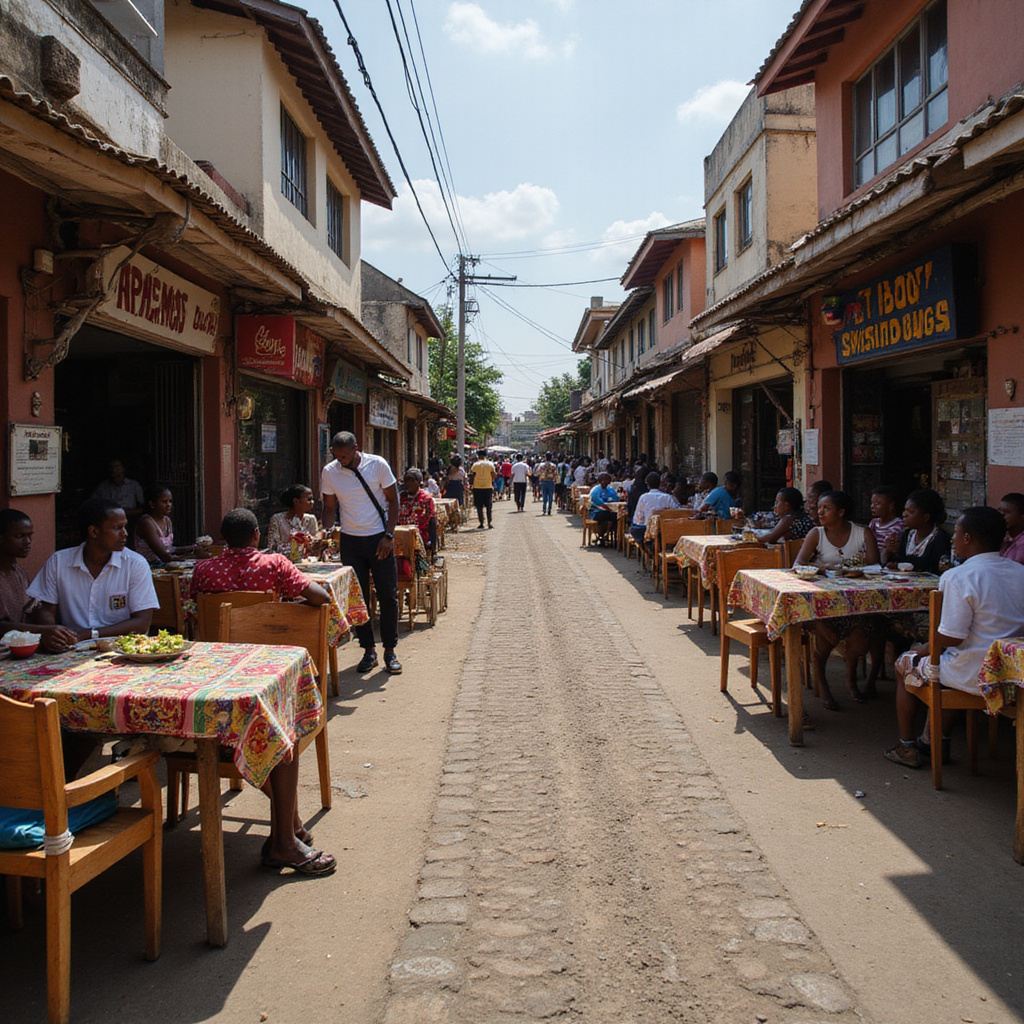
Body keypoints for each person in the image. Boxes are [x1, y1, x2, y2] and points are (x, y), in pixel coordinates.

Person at [190, 508, 335, 876]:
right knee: (284, 731)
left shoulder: (203, 570)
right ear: (256, 535)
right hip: (261, 673)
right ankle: (287, 833)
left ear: (223, 539)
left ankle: (289, 827)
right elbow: (319, 597)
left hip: (215, 677)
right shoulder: (274, 565)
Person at [884, 506, 1024, 769]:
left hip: (973, 672)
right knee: (941, 665)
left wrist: (922, 649)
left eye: (956, 534)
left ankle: (907, 746)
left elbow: (950, 637)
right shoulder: (1019, 571)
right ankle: (935, 741)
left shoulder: (958, 576)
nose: (953, 540)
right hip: (1012, 673)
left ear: (968, 538)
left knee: (905, 663)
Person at [28, 498, 159, 653]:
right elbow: (45, 609)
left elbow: (142, 623)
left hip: (122, 650)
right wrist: (53, 634)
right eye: (117, 528)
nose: (125, 534)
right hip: (71, 649)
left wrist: (90, 635)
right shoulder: (58, 562)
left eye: (124, 527)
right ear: (94, 532)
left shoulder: (135, 564)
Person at [321, 431, 402, 675]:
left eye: (344, 455)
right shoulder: (330, 471)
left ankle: (390, 650)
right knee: (359, 600)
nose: (340, 460)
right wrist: (325, 530)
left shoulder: (377, 464)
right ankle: (369, 650)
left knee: (388, 596)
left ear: (357, 448)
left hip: (379, 539)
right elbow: (329, 506)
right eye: (336, 455)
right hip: (351, 541)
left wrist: (389, 536)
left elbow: (393, 501)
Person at [794, 490, 882, 709]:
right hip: (823, 604)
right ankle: (822, 683)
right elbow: (799, 564)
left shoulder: (863, 533)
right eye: (819, 508)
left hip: (856, 603)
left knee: (861, 640)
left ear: (841, 512)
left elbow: (874, 567)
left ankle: (850, 679)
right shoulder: (817, 534)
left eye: (826, 509)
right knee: (828, 637)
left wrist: (855, 570)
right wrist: (823, 567)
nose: (820, 512)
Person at [883, 489, 951, 575]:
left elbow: (932, 566)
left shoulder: (940, 539)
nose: (904, 515)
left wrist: (900, 564)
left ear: (926, 517)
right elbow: (891, 563)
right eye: (905, 510)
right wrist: (890, 551)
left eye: (911, 512)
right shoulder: (906, 535)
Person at [135, 484, 207, 565]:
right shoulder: (146, 523)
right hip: (150, 566)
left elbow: (170, 549)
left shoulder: (167, 520)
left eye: (170, 501)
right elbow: (164, 556)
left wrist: (193, 547)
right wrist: (193, 556)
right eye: (164, 502)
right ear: (152, 504)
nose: (168, 505)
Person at [265, 484, 320, 557]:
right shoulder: (277, 520)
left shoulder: (311, 519)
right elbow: (272, 548)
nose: (312, 502)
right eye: (309, 499)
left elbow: (316, 547)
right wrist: (290, 542)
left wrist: (310, 540)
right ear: (296, 501)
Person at [630, 472, 680, 549]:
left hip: (648, 530)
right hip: (665, 530)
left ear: (647, 485)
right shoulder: (668, 497)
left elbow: (638, 517)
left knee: (633, 529)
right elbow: (676, 513)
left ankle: (646, 550)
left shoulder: (644, 497)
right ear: (660, 484)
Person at [398, 468, 436, 553]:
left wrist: (432, 545)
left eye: (411, 481)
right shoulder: (402, 498)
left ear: (419, 482)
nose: (408, 484)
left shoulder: (426, 499)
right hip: (402, 537)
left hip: (420, 538)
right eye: (406, 481)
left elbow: (430, 521)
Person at [867, 486, 902, 554]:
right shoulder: (873, 523)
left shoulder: (899, 525)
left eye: (877, 504)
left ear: (891, 505)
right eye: (872, 503)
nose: (872, 506)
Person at [588, 472, 619, 546]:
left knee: (617, 517)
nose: (605, 482)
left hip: (609, 511)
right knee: (608, 515)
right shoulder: (595, 490)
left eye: (607, 480)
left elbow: (616, 498)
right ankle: (603, 534)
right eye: (603, 480)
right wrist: (608, 503)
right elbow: (598, 502)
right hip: (596, 511)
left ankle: (608, 534)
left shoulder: (610, 489)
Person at [468, 450, 496, 528]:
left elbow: (472, 475)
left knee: (479, 506)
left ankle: (481, 523)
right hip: (488, 487)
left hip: (477, 487)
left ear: (478, 456)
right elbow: (494, 474)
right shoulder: (490, 464)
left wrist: (471, 484)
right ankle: (489, 523)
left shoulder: (475, 465)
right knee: (489, 506)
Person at [998, 492, 1024, 564]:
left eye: (1006, 513)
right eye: (999, 512)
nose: (1001, 516)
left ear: (1022, 516)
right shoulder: (1004, 538)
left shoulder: (1021, 544)